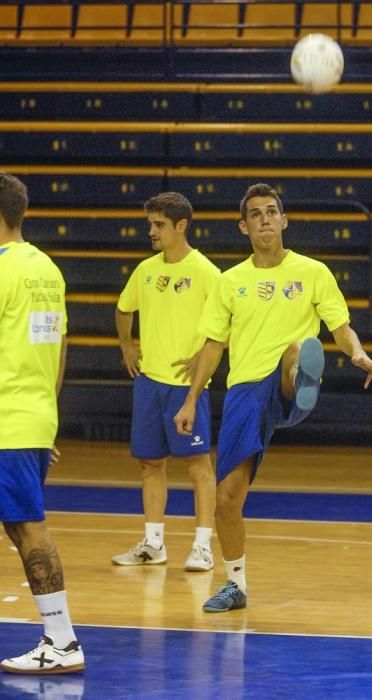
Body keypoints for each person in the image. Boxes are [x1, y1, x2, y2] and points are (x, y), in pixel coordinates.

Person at [174, 183, 372, 612]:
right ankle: (235, 584)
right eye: (255, 214)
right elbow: (213, 345)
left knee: (298, 349)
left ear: (284, 220)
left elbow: (340, 328)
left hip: (281, 380)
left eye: (272, 211)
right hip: (244, 394)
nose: (265, 219)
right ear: (244, 226)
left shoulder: (313, 273)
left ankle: (297, 382)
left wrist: (359, 354)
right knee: (226, 500)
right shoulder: (230, 281)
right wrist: (189, 399)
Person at [0, 172, 84, 673]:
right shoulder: (46, 268)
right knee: (19, 525)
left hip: (7, 420)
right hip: (30, 417)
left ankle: (62, 640)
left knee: (29, 528)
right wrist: (43, 422)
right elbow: (59, 346)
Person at [112, 192, 220, 572]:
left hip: (186, 387)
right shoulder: (145, 271)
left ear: (181, 226)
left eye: (159, 225)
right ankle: (154, 543)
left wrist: (202, 357)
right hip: (149, 383)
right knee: (149, 464)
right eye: (150, 225)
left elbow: (227, 327)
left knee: (198, 465)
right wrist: (127, 346)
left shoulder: (206, 272)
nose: (152, 232)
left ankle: (203, 546)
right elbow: (123, 309)